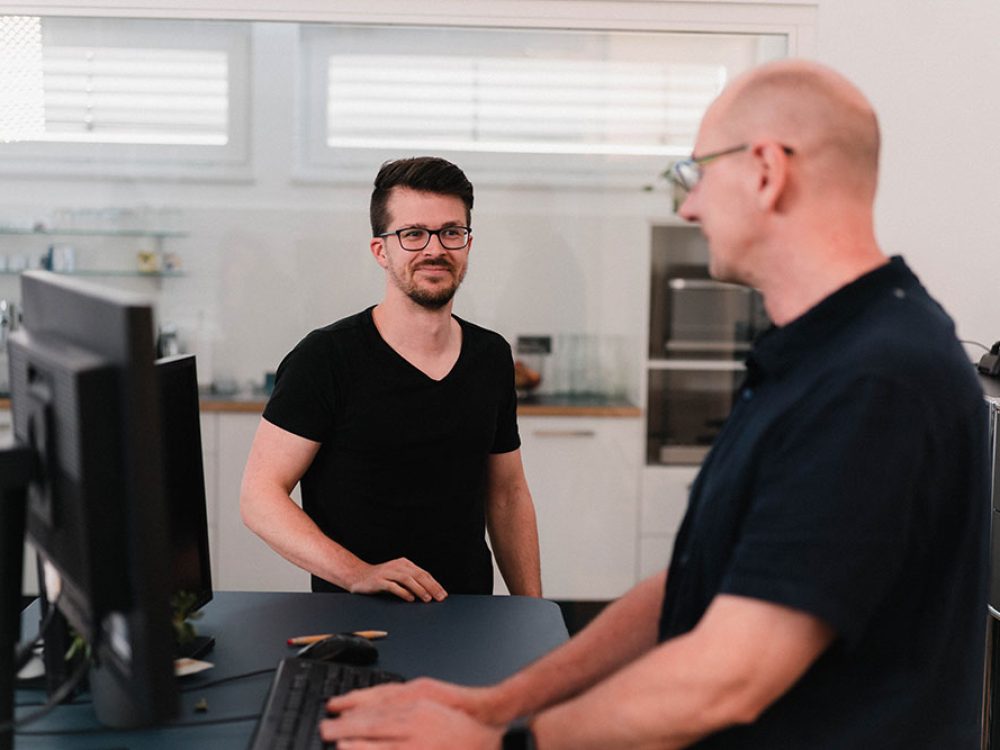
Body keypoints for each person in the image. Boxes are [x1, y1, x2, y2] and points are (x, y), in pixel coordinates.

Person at [319, 59, 990, 748]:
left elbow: (729, 673)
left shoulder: (875, 379)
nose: (689, 205)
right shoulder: (814, 355)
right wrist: (499, 702)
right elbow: (692, 582)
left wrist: (504, 743)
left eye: (696, 174)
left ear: (766, 170)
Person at [240, 156, 542, 602]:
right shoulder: (325, 358)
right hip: (356, 625)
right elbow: (259, 497)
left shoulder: (491, 356)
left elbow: (508, 494)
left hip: (471, 617)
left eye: (451, 232)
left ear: (467, 244)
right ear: (381, 250)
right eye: (413, 234)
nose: (434, 249)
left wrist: (531, 614)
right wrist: (356, 573)